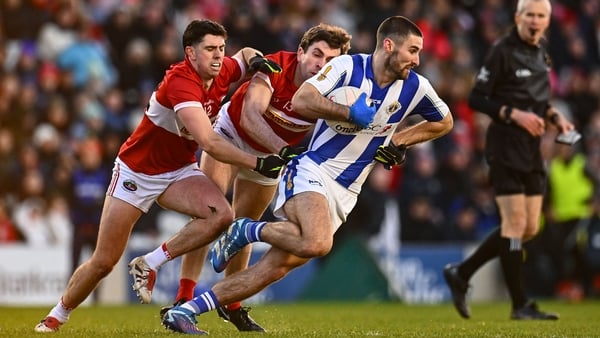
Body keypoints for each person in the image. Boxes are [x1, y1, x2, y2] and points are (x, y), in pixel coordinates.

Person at [161, 15, 454, 334]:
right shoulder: (346, 68)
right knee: (312, 241)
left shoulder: (416, 87)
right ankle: (231, 246)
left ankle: (189, 311)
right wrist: (348, 113)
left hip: (347, 189)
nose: (417, 59)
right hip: (308, 168)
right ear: (389, 45)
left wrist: (400, 141)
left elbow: (444, 121)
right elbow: (302, 98)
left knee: (276, 267)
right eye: (413, 50)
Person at [33, 19, 285, 333]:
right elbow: (209, 142)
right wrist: (258, 163)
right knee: (104, 261)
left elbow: (245, 54)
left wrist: (257, 60)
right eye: (210, 49)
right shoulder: (181, 82)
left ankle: (150, 262)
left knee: (222, 216)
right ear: (190, 53)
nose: (218, 56)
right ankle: (57, 315)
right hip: (137, 172)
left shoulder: (222, 70)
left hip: (177, 172)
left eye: (221, 48)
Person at [128, 23, 352, 332]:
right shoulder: (275, 67)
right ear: (300, 52)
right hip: (231, 138)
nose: (320, 64)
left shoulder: (331, 89)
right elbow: (249, 115)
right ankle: (183, 298)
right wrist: (279, 152)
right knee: (210, 215)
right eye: (316, 54)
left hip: (271, 157)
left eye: (330, 60)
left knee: (244, 227)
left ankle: (231, 305)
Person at [443, 0, 574, 321]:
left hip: (532, 150)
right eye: (529, 14)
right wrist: (512, 114)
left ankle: (462, 272)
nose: (535, 20)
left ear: (547, 21)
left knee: (528, 227)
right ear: (518, 18)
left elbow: (538, 103)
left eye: (541, 15)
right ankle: (520, 306)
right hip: (504, 147)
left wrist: (555, 116)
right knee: (515, 225)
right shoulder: (501, 51)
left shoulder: (542, 54)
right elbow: (476, 97)